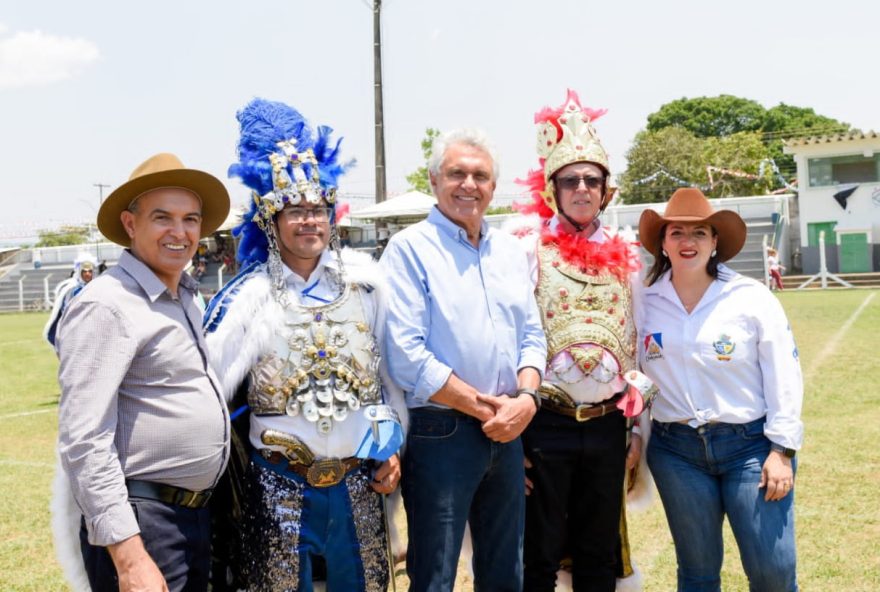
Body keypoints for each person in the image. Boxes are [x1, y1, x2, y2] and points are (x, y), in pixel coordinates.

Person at [203, 98, 406, 592]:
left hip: (359, 485)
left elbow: (387, 381)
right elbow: (207, 393)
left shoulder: (366, 287)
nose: (309, 221)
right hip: (277, 486)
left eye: (317, 210)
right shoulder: (245, 300)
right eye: (295, 211)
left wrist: (392, 447)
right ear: (271, 221)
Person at [54, 152, 232, 591]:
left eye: (191, 219)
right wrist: (129, 556)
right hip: (143, 523)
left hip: (190, 516)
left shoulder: (185, 296)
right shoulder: (106, 305)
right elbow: (84, 440)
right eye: (162, 217)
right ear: (130, 225)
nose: (180, 231)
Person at [381, 128, 547, 592]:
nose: (469, 185)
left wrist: (528, 399)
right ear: (435, 180)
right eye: (457, 174)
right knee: (435, 574)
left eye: (481, 175)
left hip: (509, 426)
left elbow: (532, 335)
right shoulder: (410, 250)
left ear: (494, 187)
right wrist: (485, 408)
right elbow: (406, 355)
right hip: (442, 431)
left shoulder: (510, 252)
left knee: (504, 571)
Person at [511, 90, 654, 591]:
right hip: (546, 425)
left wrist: (637, 430)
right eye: (570, 180)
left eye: (592, 180)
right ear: (552, 190)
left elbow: (637, 345)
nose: (582, 188)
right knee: (540, 555)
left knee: (599, 554)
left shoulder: (630, 258)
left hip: (608, 427)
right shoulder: (526, 251)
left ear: (607, 191)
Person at [638, 188, 803, 592]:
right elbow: (631, 376)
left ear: (715, 242)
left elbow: (784, 373)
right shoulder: (642, 298)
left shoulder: (750, 298)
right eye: (676, 232)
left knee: (772, 573)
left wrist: (781, 450)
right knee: (697, 572)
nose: (687, 242)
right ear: (663, 242)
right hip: (676, 451)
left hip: (750, 448)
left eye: (699, 233)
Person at [43, 252, 97, 348]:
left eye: (90, 271)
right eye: (84, 271)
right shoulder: (72, 289)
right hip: (74, 332)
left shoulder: (96, 287)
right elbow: (67, 311)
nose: (87, 274)